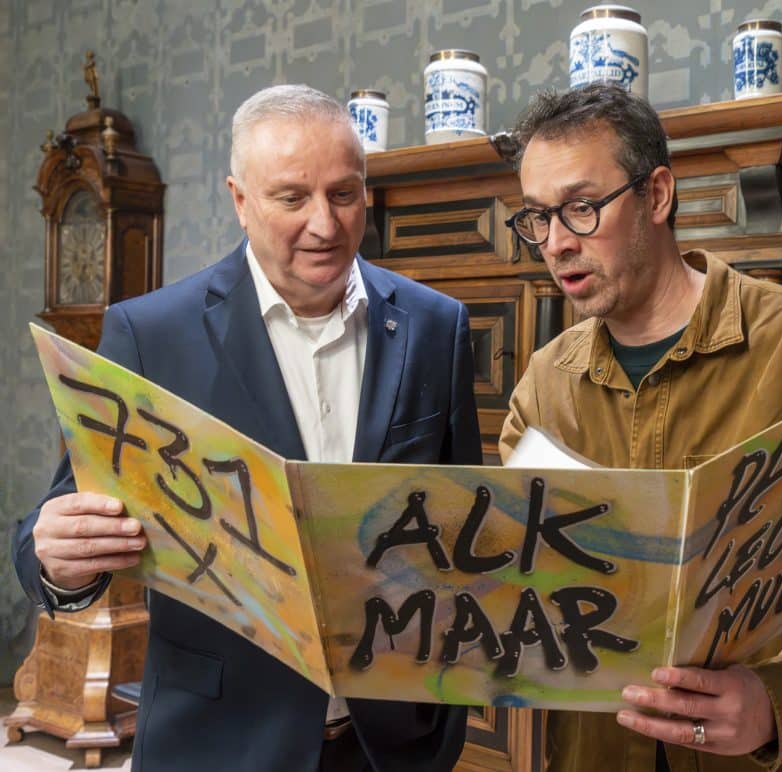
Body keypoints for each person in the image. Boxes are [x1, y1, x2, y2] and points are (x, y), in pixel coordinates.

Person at [14, 84, 481, 772]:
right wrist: (55, 556)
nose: (325, 224)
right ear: (240, 200)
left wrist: (447, 716)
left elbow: (464, 527)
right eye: (292, 198)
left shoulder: (438, 325)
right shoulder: (150, 336)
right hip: (218, 742)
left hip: (391, 743)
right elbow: (56, 527)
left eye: (345, 194)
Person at [498, 84, 782, 772]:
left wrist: (780, 702)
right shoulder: (544, 383)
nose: (557, 242)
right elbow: (520, 582)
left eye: (582, 208)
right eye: (537, 218)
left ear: (657, 196)